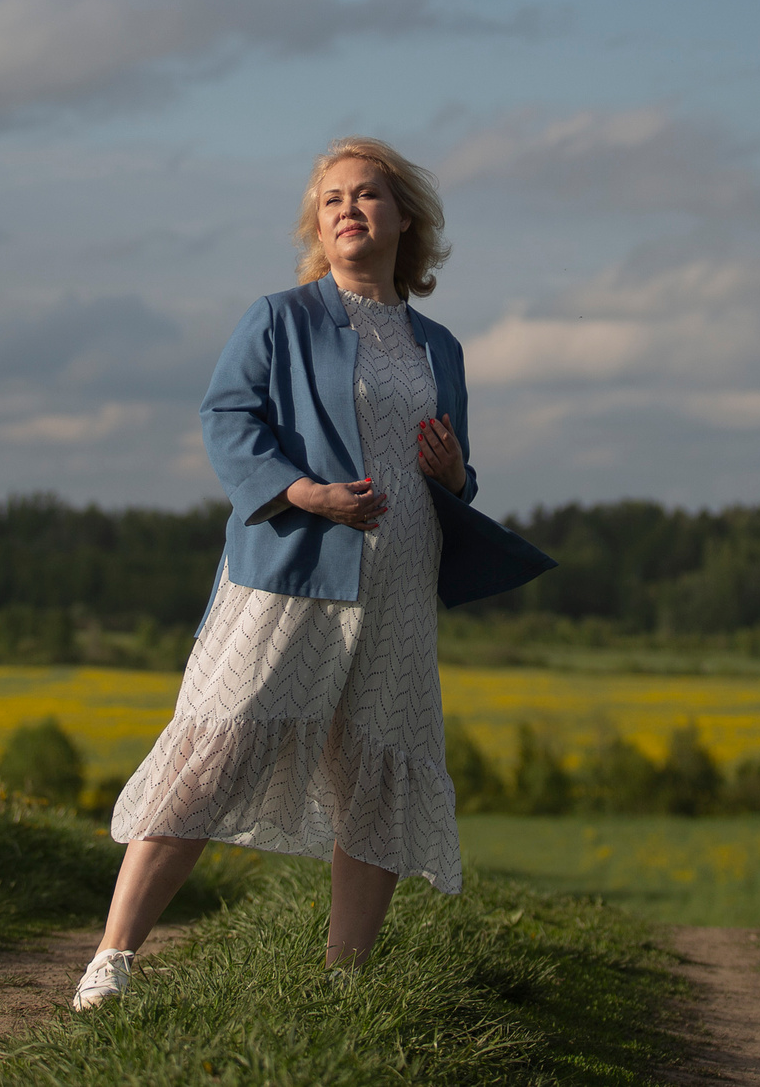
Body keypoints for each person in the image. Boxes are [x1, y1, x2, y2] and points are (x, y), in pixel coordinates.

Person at [73, 136, 474, 1011]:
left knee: (379, 768)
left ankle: (346, 988)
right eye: (332, 198)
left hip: (402, 587)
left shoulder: (439, 347)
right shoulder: (281, 318)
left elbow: (457, 474)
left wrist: (453, 475)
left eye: (368, 195)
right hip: (294, 568)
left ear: (406, 219)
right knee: (217, 744)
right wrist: (304, 493)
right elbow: (228, 419)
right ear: (317, 223)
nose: (349, 210)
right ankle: (112, 959)